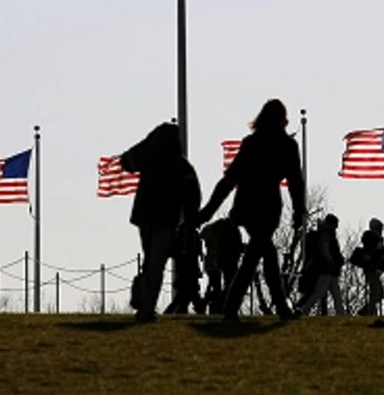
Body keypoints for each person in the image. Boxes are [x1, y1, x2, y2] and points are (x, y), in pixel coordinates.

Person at [196, 99, 305, 321]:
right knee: (256, 256)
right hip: (266, 209)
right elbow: (295, 182)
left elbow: (229, 180)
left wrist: (208, 211)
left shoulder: (252, 143)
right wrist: (298, 210)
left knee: (265, 254)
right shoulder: (286, 146)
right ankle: (235, 308)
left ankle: (272, 308)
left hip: (247, 206)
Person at [121, 122, 200, 323]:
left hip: (148, 220)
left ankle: (144, 303)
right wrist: (190, 224)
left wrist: (147, 141)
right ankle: (145, 307)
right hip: (164, 221)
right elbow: (193, 198)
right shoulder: (181, 165)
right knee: (154, 265)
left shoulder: (149, 159)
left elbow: (126, 160)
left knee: (151, 264)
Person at [299, 213, 345, 315]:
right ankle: (305, 310)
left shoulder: (325, 233)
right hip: (328, 269)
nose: (336, 227)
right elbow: (325, 250)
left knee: (334, 293)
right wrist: (331, 262)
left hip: (329, 269)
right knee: (320, 293)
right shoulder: (326, 234)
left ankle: (341, 312)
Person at [199, 217, 244, 314]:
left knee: (217, 287)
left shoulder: (216, 233)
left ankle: (210, 305)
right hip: (224, 262)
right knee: (226, 286)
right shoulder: (229, 231)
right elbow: (234, 246)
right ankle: (217, 306)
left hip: (217, 262)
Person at [350, 217, 384, 315]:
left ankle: (368, 310)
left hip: (374, 268)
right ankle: (368, 311)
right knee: (376, 292)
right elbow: (373, 253)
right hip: (372, 268)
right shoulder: (372, 237)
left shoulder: (376, 238)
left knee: (378, 292)